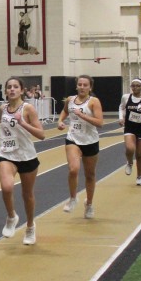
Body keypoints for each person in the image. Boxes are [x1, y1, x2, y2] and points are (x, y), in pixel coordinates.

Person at [0, 77, 46, 246]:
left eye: (15, 87)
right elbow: (0, 122)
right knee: (7, 187)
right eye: (9, 87)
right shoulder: (2, 108)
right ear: (5, 91)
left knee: (27, 195)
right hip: (7, 153)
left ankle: (30, 226)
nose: (12, 89)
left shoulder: (28, 109)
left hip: (26, 155)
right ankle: (11, 216)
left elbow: (41, 135)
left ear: (22, 90)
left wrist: (22, 123)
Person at [57, 75, 103, 218]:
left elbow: (100, 122)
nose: (82, 87)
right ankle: (73, 198)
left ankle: (89, 204)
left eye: (85, 85)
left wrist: (82, 115)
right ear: (76, 86)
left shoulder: (93, 102)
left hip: (90, 141)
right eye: (80, 84)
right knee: (73, 169)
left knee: (90, 175)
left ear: (90, 87)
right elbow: (65, 111)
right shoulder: (70, 100)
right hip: (73, 139)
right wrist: (60, 121)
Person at [119, 78, 141, 186]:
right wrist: (121, 118)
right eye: (133, 85)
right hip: (129, 128)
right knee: (130, 148)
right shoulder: (126, 97)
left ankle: (139, 176)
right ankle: (129, 162)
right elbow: (121, 107)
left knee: (139, 155)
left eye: (138, 85)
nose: (135, 88)